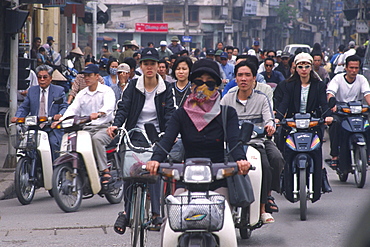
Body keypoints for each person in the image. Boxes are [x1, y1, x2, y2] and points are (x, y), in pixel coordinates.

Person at [144, 58, 251, 233]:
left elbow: (234, 142)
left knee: (224, 223)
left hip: (218, 178)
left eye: (209, 84)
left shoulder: (227, 113)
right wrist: (155, 160)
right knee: (171, 223)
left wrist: (241, 160)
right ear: (191, 85)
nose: (202, 87)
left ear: (217, 87)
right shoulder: (181, 113)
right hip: (187, 178)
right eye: (198, 82)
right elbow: (167, 140)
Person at [109, 48, 175, 235]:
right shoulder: (133, 85)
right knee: (131, 169)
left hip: (156, 136)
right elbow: (123, 108)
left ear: (158, 66)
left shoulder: (166, 88)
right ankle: (126, 211)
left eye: (152, 64)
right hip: (135, 133)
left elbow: (170, 114)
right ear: (141, 66)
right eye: (145, 64)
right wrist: (116, 125)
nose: (149, 67)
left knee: (152, 168)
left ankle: (155, 214)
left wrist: (169, 133)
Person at [221, 60, 284, 223]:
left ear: (254, 78)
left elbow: (269, 119)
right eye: (240, 75)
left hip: (258, 141)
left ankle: (264, 204)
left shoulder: (262, 98)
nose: (243, 79)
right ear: (235, 78)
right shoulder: (227, 99)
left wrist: (270, 126)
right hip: (233, 144)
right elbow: (218, 121)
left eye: (247, 75)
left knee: (273, 161)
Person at [275, 52, 333, 202]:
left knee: (316, 150)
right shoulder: (289, 85)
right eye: (300, 66)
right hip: (292, 123)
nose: (303, 69)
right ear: (295, 68)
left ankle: (321, 178)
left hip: (313, 123)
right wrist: (277, 118)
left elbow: (323, 103)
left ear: (311, 67)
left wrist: (327, 116)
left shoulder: (319, 85)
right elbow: (284, 103)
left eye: (307, 66)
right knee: (282, 146)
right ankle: (284, 177)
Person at [52, 63, 116, 183]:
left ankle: (104, 171)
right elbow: (72, 109)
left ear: (97, 76)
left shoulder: (106, 91)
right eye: (85, 76)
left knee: (96, 139)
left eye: (89, 75)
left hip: (104, 128)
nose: (86, 78)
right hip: (85, 129)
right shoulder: (82, 94)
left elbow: (109, 107)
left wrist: (99, 113)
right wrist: (60, 121)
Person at [12, 65, 68, 161]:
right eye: (39, 77)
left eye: (45, 77)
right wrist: (17, 117)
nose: (42, 79)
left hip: (51, 127)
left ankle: (55, 171)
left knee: (53, 144)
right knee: (27, 146)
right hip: (35, 126)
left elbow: (64, 106)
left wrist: (60, 115)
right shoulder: (32, 91)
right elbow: (24, 107)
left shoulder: (59, 91)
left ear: (50, 78)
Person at [327, 55, 370, 172]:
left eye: (356, 68)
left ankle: (368, 153)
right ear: (345, 67)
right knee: (334, 124)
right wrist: (332, 103)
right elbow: (331, 93)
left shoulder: (362, 79)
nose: (354, 71)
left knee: (367, 125)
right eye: (351, 68)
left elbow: (367, 94)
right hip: (341, 112)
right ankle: (335, 155)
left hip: (358, 112)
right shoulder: (337, 79)